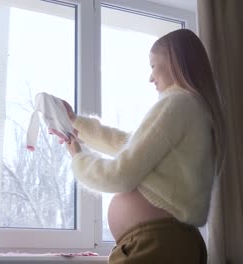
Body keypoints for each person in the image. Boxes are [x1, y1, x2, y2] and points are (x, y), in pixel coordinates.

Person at [60, 28, 225, 264]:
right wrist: (76, 124)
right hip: (171, 243)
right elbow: (132, 145)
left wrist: (78, 158)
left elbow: (120, 176)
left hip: (156, 244)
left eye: (153, 66)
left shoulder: (178, 103)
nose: (150, 78)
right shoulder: (194, 107)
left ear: (175, 62)